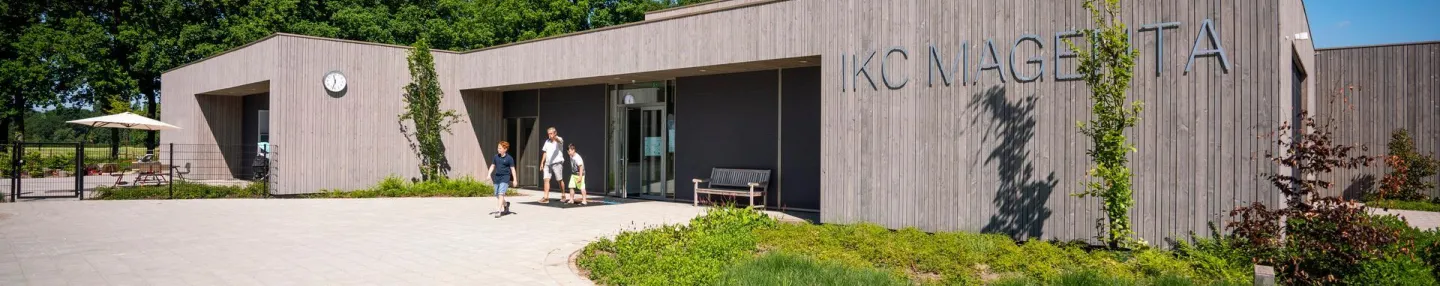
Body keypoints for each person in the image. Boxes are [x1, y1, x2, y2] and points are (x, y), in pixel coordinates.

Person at [487, 141, 517, 218]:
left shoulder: (509, 158)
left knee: (501, 194)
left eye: (500, 148)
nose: (498, 149)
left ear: (505, 149)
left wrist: (515, 180)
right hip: (497, 177)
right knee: (496, 194)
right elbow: (493, 166)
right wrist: (489, 174)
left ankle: (498, 210)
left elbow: (513, 169)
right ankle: (506, 205)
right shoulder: (496, 157)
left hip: (505, 177)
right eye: (498, 148)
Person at [540, 127, 566, 203]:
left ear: (555, 133)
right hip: (547, 164)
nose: (549, 135)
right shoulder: (547, 141)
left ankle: (563, 195)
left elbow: (558, 140)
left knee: (559, 180)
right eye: (548, 134)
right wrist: (542, 162)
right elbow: (545, 152)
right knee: (546, 179)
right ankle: (546, 197)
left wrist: (554, 137)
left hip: (557, 162)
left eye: (551, 133)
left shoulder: (559, 140)